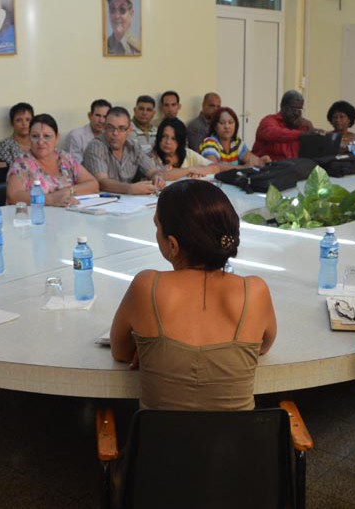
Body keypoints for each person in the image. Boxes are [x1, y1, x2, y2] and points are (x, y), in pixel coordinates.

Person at [110, 179, 277, 410]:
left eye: (157, 227)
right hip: (237, 446)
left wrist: (154, 350)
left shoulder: (146, 286)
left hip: (158, 446)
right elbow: (262, 347)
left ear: (173, 245)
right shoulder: (255, 291)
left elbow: (120, 352)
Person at [6, 113, 99, 206]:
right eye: (35, 136)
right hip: (36, 217)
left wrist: (68, 191)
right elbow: (14, 196)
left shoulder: (65, 158)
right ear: (29, 138)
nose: (41, 142)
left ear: (57, 138)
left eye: (46, 136)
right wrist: (51, 199)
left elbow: (93, 184)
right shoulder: (21, 164)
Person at [83, 106, 165, 195]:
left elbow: (152, 171)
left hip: (128, 202)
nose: (115, 133)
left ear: (129, 130)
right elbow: (101, 182)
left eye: (121, 128)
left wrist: (157, 177)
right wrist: (130, 188)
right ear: (104, 128)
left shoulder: (133, 146)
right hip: (103, 201)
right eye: (110, 127)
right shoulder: (96, 146)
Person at [252, 90, 318, 161]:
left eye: (299, 109)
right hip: (267, 168)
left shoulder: (302, 126)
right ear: (283, 107)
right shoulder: (269, 121)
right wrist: (301, 134)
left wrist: (311, 128)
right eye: (293, 109)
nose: (296, 113)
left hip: (293, 168)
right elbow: (274, 133)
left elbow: (312, 151)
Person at [149, 118, 218, 180]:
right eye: (164, 136)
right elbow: (162, 176)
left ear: (180, 141)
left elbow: (215, 167)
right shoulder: (151, 156)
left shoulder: (188, 154)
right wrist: (190, 170)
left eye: (173, 139)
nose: (168, 142)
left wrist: (200, 171)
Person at [199, 107, 269, 167]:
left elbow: (251, 159)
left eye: (230, 122)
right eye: (222, 123)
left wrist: (261, 161)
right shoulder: (209, 142)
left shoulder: (236, 143)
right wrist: (242, 167)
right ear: (215, 126)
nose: (227, 126)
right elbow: (213, 166)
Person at [61, 99, 112, 163]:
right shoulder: (76, 136)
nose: (101, 120)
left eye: (105, 117)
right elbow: (76, 166)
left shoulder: (111, 136)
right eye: (98, 115)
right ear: (90, 116)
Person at [0, 102, 34, 166]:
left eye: (28, 120)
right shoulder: (5, 145)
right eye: (19, 120)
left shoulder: (39, 142)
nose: (24, 123)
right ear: (12, 123)